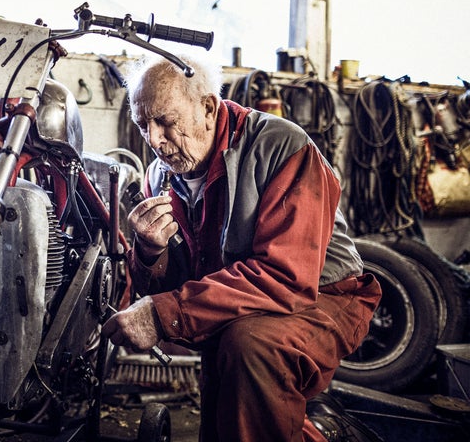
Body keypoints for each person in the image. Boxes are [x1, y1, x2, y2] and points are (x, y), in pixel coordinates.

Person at [102, 55, 382, 441]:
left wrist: (163, 312)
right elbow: (173, 286)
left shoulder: (281, 146)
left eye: (165, 122)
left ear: (207, 107)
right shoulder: (159, 176)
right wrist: (150, 253)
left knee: (250, 346)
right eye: (142, 125)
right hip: (243, 302)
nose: (153, 140)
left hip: (326, 298)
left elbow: (286, 278)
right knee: (229, 408)